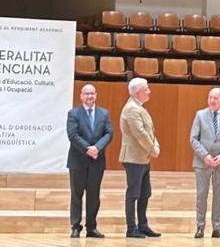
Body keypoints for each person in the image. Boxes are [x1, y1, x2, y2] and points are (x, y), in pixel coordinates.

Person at [190, 87, 220, 239]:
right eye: (210, 97)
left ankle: (216, 228)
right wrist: (205, 155)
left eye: (215, 98)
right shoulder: (200, 115)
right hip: (202, 162)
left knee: (219, 196)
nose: (212, 100)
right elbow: (193, 138)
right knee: (201, 195)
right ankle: (200, 227)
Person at [66, 84, 114, 238]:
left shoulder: (104, 113)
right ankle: (75, 226)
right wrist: (88, 149)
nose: (89, 96)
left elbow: (109, 133)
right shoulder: (73, 113)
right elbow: (73, 135)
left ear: (96, 95)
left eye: (92, 93)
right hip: (78, 160)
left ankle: (91, 227)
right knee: (76, 194)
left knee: (94, 195)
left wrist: (97, 148)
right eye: (86, 94)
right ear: (81, 96)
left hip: (96, 161)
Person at [120, 77, 161, 238]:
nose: (149, 91)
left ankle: (143, 225)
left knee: (145, 192)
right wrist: (152, 148)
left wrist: (154, 146)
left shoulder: (140, 107)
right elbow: (140, 134)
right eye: (146, 89)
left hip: (143, 158)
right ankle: (131, 228)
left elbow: (150, 131)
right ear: (138, 92)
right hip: (133, 158)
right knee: (133, 193)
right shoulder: (131, 109)